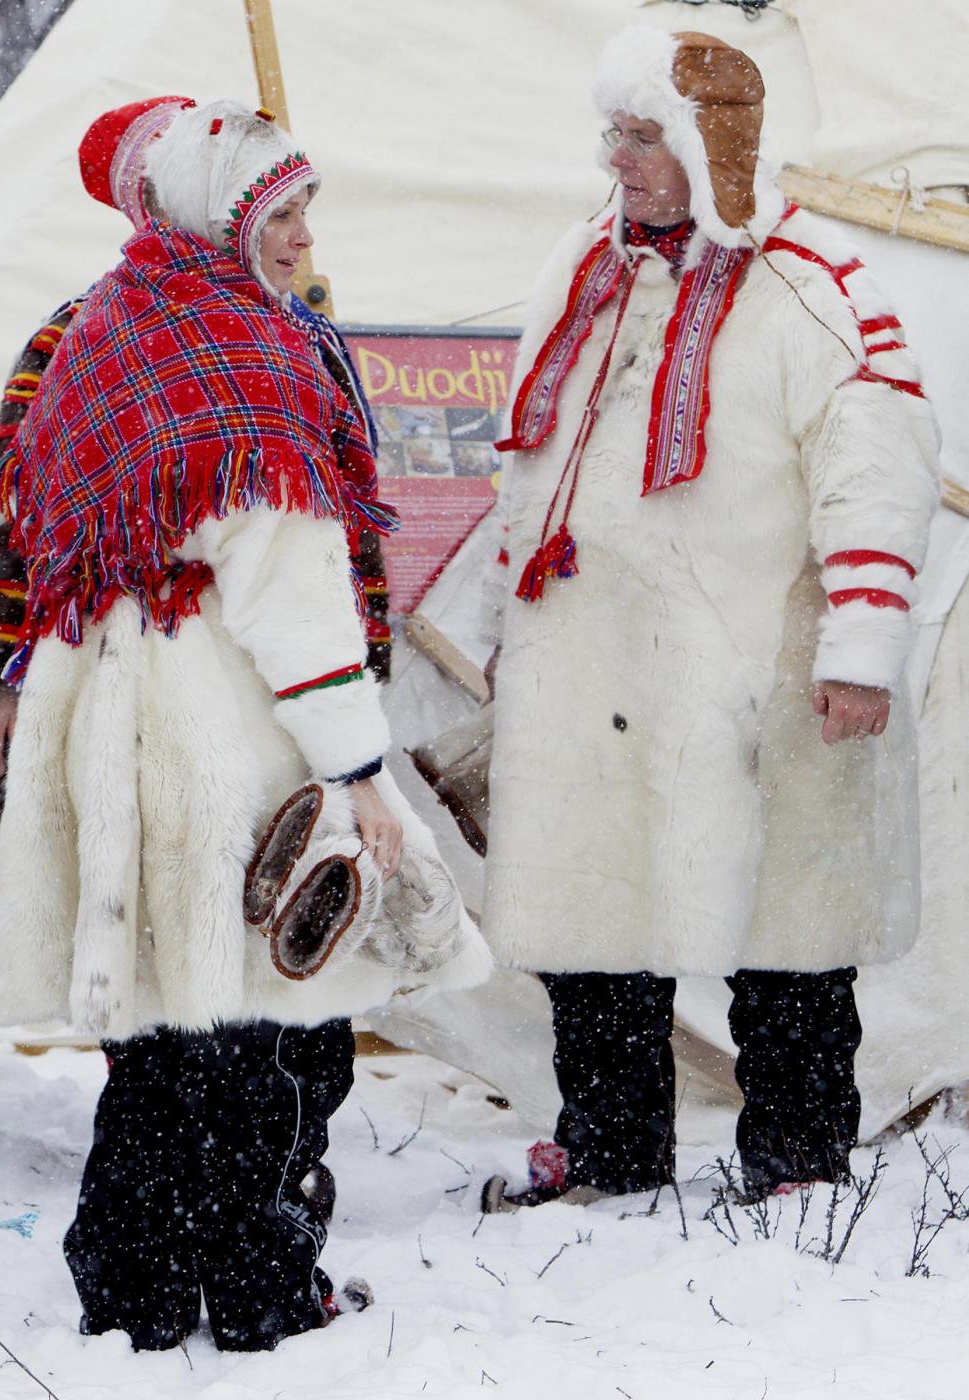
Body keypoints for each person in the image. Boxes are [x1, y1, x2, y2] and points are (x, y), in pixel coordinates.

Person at [0, 97, 488, 1350]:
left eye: (304, 204)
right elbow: (288, 584)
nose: (300, 232)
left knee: (177, 1032)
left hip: (130, 718)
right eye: (276, 207)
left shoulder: (126, 327)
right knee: (255, 1020)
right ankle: (262, 1281)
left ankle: (135, 1280)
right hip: (234, 723)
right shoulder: (236, 358)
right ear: (213, 209)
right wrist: (354, 758)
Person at [480, 25, 939, 1211]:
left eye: (640, 137)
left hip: (751, 663)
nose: (614, 160)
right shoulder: (583, 264)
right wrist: (503, 623)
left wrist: (858, 646)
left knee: (783, 921)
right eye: (611, 134)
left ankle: (793, 1160)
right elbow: (528, 466)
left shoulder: (812, 281)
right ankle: (609, 1147)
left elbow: (874, 465)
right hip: (590, 655)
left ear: (701, 143)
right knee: (594, 914)